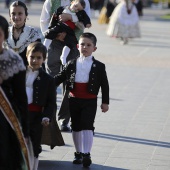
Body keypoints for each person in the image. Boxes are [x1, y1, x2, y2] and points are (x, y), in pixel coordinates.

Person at [54, 32, 109, 167]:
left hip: (90, 100)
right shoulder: (71, 64)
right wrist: (46, 84)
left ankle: (86, 153)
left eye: (88, 45)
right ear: (77, 46)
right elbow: (60, 77)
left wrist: (105, 102)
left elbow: (104, 84)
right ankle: (78, 153)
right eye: (82, 44)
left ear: (94, 48)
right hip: (74, 99)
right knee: (76, 126)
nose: (85, 47)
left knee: (88, 126)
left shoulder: (99, 66)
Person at [40, 0, 91, 131]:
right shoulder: (51, 2)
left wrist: (70, 17)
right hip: (54, 45)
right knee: (51, 81)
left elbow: (84, 24)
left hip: (72, 45)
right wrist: (55, 34)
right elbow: (44, 22)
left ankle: (64, 120)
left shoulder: (83, 2)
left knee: (70, 83)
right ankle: (48, 117)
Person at [25, 42, 64, 170]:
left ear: (44, 59)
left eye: (39, 57)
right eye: (32, 57)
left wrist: (47, 116)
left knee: (34, 145)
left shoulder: (48, 79)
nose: (35, 60)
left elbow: (51, 102)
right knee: (19, 144)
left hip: (37, 117)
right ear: (26, 56)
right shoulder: (18, 75)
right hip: (19, 116)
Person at [0, 15, 32, 170]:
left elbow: (21, 97)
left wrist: (25, 128)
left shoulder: (13, 61)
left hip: (4, 119)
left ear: (5, 35)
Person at [6, 1, 41, 66]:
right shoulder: (4, 33)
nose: (16, 17)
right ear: (10, 16)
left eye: (20, 14)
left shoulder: (33, 34)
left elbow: (38, 59)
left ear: (26, 15)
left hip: (27, 73)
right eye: (13, 14)